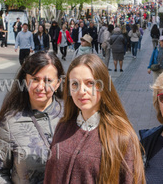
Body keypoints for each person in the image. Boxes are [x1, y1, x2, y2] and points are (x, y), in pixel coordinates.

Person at [44, 54, 145, 183]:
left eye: (90, 83)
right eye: (75, 84)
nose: (81, 91)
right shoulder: (63, 126)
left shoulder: (122, 136)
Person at [0, 52, 64, 183]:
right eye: (35, 79)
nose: (40, 87)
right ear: (25, 81)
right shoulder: (10, 122)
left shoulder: (71, 115)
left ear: (58, 83)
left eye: (48, 80)